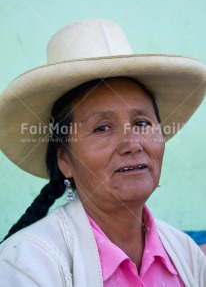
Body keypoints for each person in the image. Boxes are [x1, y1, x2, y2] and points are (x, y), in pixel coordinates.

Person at [0, 19, 206, 286]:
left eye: (142, 123)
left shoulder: (186, 255)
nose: (133, 144)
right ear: (65, 160)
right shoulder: (28, 265)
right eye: (102, 128)